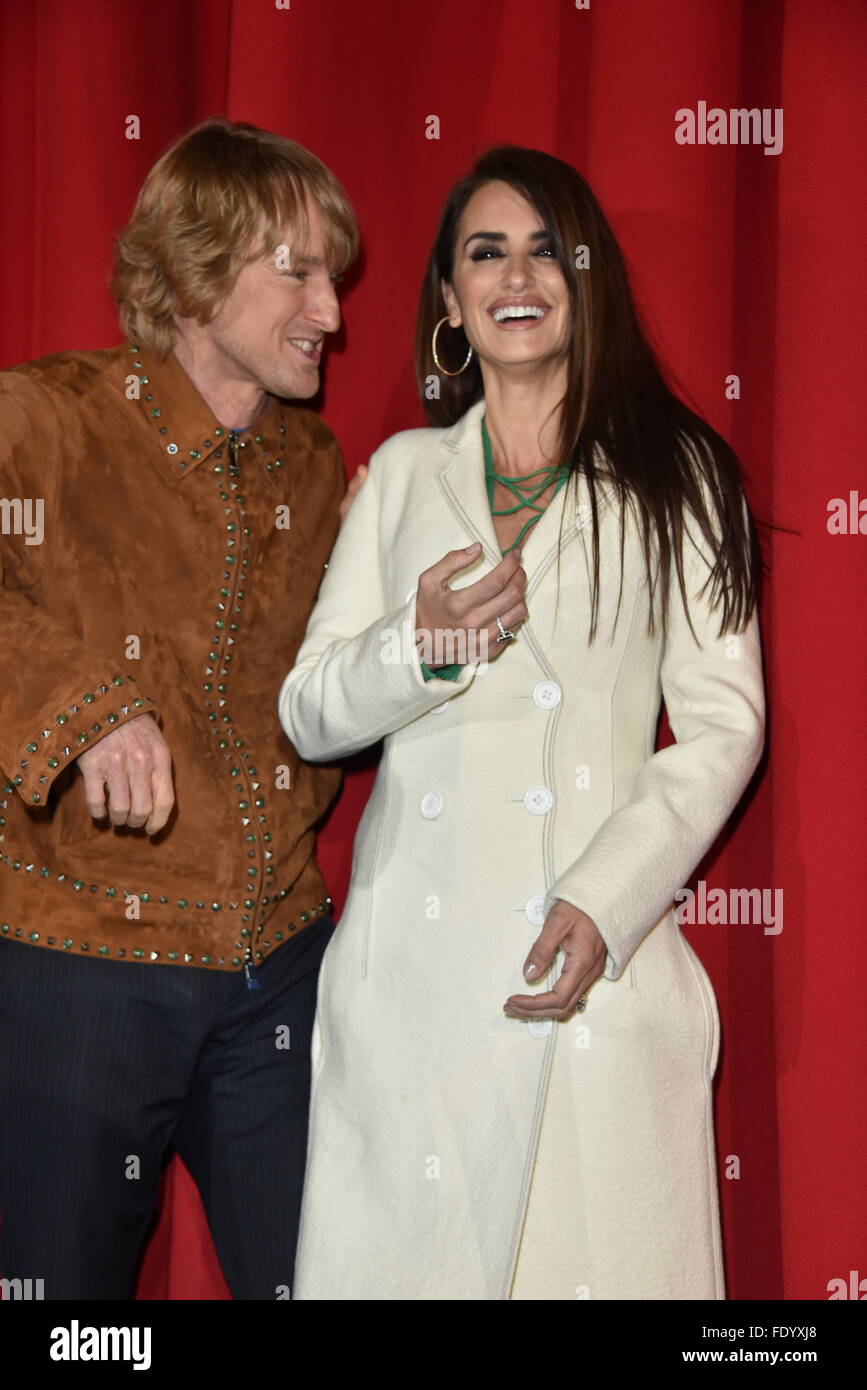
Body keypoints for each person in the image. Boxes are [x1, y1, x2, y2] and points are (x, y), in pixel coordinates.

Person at [278, 145, 767, 1300]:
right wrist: (423, 639)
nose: (517, 273)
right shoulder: (401, 476)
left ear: (586, 279)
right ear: (449, 301)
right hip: (417, 999)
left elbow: (722, 725)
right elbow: (309, 709)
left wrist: (606, 900)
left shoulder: (684, 474)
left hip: (589, 978)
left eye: (547, 247)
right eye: (484, 252)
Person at [0, 117, 361, 1300]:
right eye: (297, 272)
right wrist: (82, 706)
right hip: (81, 962)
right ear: (201, 273)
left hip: (280, 962)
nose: (332, 313)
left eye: (334, 277)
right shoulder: (47, 423)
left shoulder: (321, 470)